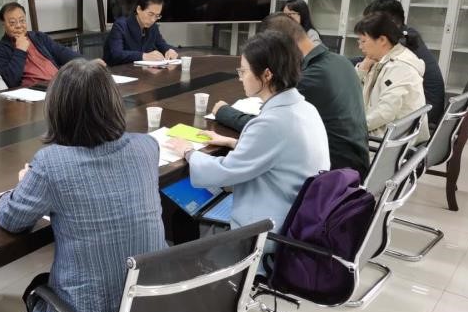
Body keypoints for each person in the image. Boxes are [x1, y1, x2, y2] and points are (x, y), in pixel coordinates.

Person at [0, 59, 166, 312]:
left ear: (57, 110)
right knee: (117, 276)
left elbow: (11, 218)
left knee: (38, 293)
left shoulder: (51, 164)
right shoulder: (146, 147)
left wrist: (23, 183)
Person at [167, 31, 330, 234]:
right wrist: (232, 142)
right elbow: (279, 152)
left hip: (267, 230)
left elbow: (224, 171)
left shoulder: (271, 123)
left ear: (267, 75)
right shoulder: (305, 108)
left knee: (184, 216)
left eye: (244, 71)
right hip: (297, 215)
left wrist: (188, 152)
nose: (240, 78)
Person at [213, 13, 369, 178]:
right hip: (354, 163)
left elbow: (268, 128)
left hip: (332, 175)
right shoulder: (341, 61)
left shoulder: (310, 78)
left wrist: (224, 112)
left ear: (282, 47)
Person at [362, 0, 445, 127]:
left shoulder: (403, 46)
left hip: (422, 115)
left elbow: (385, 112)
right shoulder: (407, 34)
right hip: (422, 108)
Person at [354, 12, 430, 143]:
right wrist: (363, 68)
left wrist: (351, 128)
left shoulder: (400, 67)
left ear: (382, 40)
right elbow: (352, 92)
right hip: (387, 133)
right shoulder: (382, 59)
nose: (360, 46)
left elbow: (385, 112)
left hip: (389, 141)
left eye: (364, 41)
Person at [0, 2, 83, 88]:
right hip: (34, 91)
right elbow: (10, 81)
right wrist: (20, 50)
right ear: (3, 24)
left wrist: (86, 63)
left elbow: (62, 52)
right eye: (12, 23)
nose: (18, 25)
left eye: (22, 21)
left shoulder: (38, 37)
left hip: (58, 84)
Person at [103, 0, 179, 65]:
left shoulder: (153, 27)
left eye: (157, 16)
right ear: (139, 9)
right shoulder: (121, 25)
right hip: (117, 70)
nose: (153, 20)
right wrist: (143, 56)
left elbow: (161, 44)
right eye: (150, 14)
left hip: (141, 70)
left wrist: (169, 50)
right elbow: (117, 54)